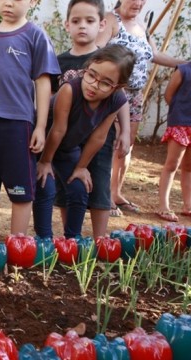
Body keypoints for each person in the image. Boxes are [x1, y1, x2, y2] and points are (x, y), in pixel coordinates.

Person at [0, 0, 60, 241]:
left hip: (18, 125)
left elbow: (43, 82)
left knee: (21, 192)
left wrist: (40, 126)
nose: (8, 3)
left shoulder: (36, 36)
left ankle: (18, 245)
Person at [38, 0, 131, 239]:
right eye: (92, 76)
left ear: (116, 88)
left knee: (81, 187)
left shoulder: (115, 99)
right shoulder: (70, 87)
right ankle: (45, 240)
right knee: (46, 186)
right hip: (50, 143)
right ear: (86, 69)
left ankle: (73, 241)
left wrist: (80, 167)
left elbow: (99, 136)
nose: (95, 85)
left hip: (71, 147)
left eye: (105, 83)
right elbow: (57, 130)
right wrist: (46, 161)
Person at [97, 0, 187, 217]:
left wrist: (184, 63)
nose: (137, 2)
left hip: (135, 95)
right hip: (114, 92)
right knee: (113, 141)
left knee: (127, 145)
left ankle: (116, 192)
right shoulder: (111, 20)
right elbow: (97, 50)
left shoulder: (142, 26)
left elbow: (154, 55)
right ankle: (104, 196)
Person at [157, 62, 191, 222]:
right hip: (180, 124)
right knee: (172, 165)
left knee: (189, 167)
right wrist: (179, 113)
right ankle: (163, 205)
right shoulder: (183, 70)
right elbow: (169, 95)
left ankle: (188, 205)